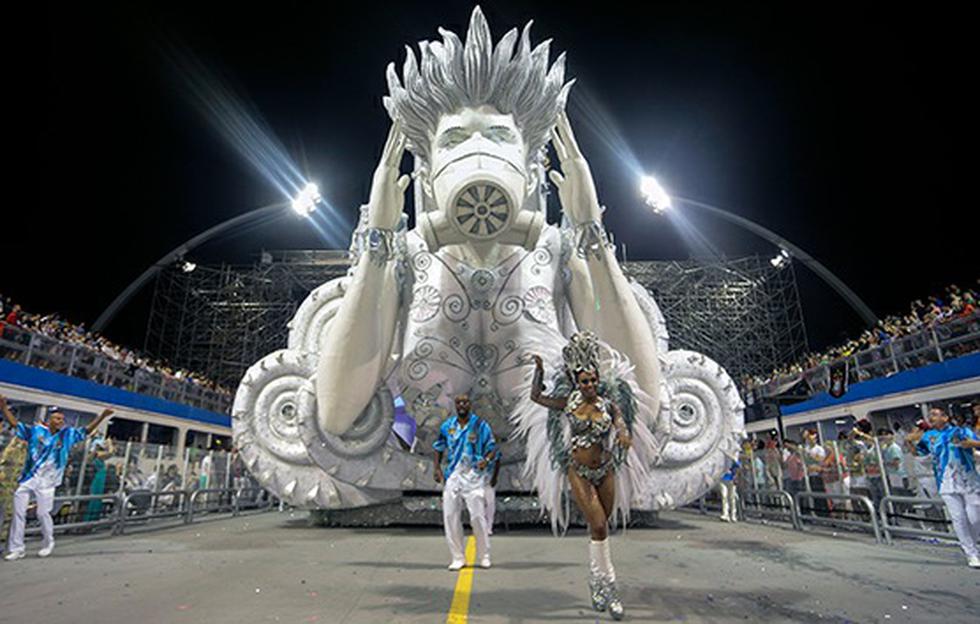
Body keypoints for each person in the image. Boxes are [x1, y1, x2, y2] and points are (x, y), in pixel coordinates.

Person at [527, 331, 644, 621]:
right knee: (600, 525)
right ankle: (610, 588)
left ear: (598, 380)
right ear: (577, 383)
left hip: (606, 470)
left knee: (600, 530)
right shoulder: (568, 403)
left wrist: (624, 435)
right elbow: (536, 397)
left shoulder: (609, 405)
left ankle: (596, 580)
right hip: (578, 471)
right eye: (584, 381)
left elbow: (621, 423)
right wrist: (539, 370)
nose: (589, 385)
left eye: (592, 380)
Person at [1, 397, 112, 560]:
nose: (60, 421)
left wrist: (102, 416)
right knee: (18, 513)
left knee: (42, 514)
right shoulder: (36, 431)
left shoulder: (67, 435)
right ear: (49, 420)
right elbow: (15, 424)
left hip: (48, 483)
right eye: (57, 419)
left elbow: (86, 431)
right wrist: (4, 408)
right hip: (29, 478)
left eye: (62, 419)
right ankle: (17, 548)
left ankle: (48, 542)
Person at [906, 406, 980, 568]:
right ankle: (971, 553)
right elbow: (918, 453)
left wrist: (971, 444)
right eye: (930, 415)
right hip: (945, 481)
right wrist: (909, 441)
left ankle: (972, 546)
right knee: (958, 518)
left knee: (975, 516)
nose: (931, 417)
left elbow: (977, 445)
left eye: (934, 414)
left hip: (968, 479)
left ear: (945, 417)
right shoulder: (928, 436)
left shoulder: (961, 431)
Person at [433, 394, 496, 572]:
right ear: (455, 405)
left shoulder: (480, 425)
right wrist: (437, 468)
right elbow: (438, 447)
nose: (462, 405)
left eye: (465, 402)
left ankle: (484, 555)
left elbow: (492, 448)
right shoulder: (448, 426)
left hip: (474, 476)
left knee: (477, 517)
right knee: (450, 516)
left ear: (470, 404)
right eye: (459, 402)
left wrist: (486, 460)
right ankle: (458, 557)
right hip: (453, 476)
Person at [83, 435, 114, 522]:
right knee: (94, 500)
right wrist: (110, 443)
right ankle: (89, 520)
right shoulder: (97, 455)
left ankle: (92, 520)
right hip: (97, 480)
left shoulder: (95, 456)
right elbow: (111, 452)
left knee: (97, 500)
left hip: (100, 479)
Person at [484, 448, 502, 536]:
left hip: (488, 479)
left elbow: (497, 463)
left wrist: (494, 477)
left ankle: (488, 527)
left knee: (490, 503)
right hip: (476, 479)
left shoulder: (493, 448)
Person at [719, 458, 740, 522]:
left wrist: (736, 476)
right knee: (724, 496)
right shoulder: (721, 459)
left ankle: (733, 515)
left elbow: (738, 466)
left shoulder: (733, 459)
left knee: (732, 497)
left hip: (731, 480)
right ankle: (725, 514)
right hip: (722, 479)